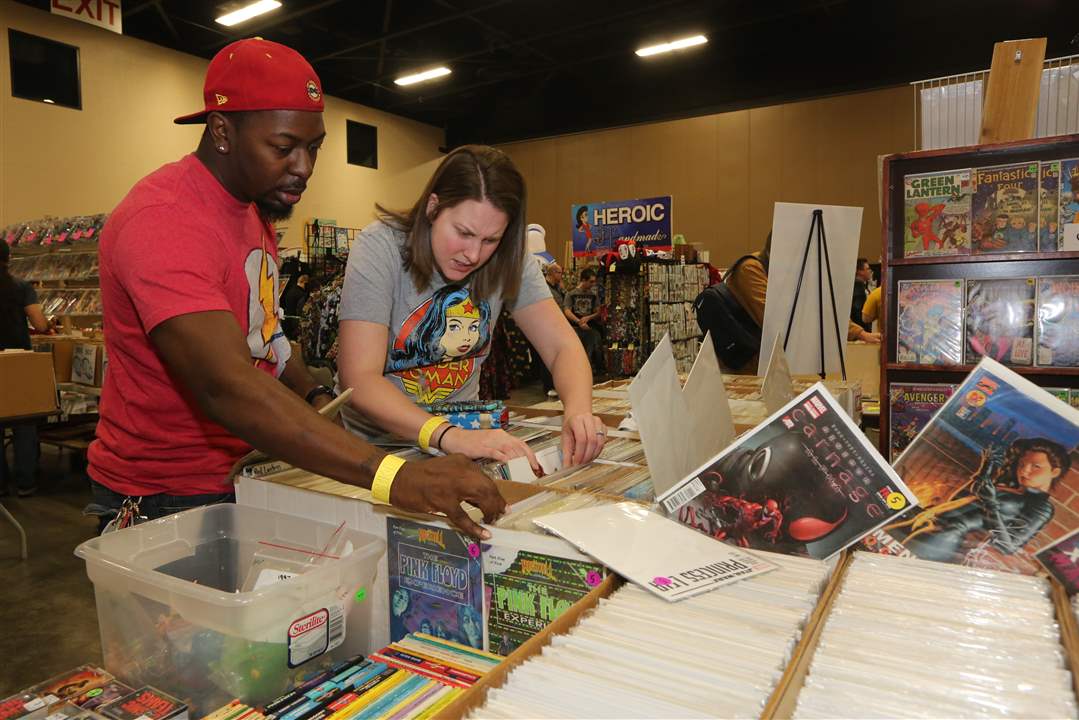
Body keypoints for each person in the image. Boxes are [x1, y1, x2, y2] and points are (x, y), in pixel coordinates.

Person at [86, 39, 503, 540]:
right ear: (222, 132)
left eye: (314, 147)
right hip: (168, 496)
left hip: (248, 471)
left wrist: (314, 392)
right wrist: (396, 476)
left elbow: (267, 336)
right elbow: (225, 385)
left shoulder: (252, 209)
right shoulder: (166, 220)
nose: (304, 167)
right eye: (284, 148)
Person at [335, 145, 606, 469]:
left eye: (490, 240)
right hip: (374, 450)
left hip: (461, 444)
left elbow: (562, 346)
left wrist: (578, 411)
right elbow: (360, 379)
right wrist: (449, 436)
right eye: (463, 233)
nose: (474, 254)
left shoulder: (509, 255)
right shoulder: (381, 247)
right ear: (433, 207)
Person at [724, 233, 879, 372]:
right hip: (744, 364)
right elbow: (775, 318)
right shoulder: (750, 269)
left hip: (768, 362)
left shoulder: (780, 269)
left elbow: (819, 305)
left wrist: (859, 333)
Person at [897, 437, 1069, 562]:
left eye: (1035, 467)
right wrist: (985, 470)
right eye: (1022, 464)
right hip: (926, 524)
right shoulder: (1011, 487)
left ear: (1054, 472)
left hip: (942, 540)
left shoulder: (1041, 506)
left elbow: (1007, 546)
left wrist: (990, 502)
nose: (1024, 471)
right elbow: (965, 498)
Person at [0, 242, 50, 497]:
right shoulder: (21, 287)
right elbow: (40, 324)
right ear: (8, 258)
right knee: (24, 424)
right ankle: (26, 482)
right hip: (18, 361)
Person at [562, 268, 604, 373]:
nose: (593, 284)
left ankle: (591, 370)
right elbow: (567, 311)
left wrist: (588, 318)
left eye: (594, 282)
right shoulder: (570, 294)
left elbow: (598, 312)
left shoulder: (593, 295)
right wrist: (579, 322)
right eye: (591, 281)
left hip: (589, 327)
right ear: (583, 280)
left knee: (593, 347)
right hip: (575, 327)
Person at [538, 262, 565, 394]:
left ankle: (555, 383)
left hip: (557, 325)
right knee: (548, 356)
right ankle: (548, 386)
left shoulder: (557, 287)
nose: (561, 276)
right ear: (553, 273)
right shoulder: (544, 288)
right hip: (546, 325)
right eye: (560, 273)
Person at [850, 258, 872, 332]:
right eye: (867, 269)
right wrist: (864, 331)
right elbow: (858, 313)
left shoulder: (862, 287)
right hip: (860, 331)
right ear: (860, 272)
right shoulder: (858, 289)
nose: (870, 271)